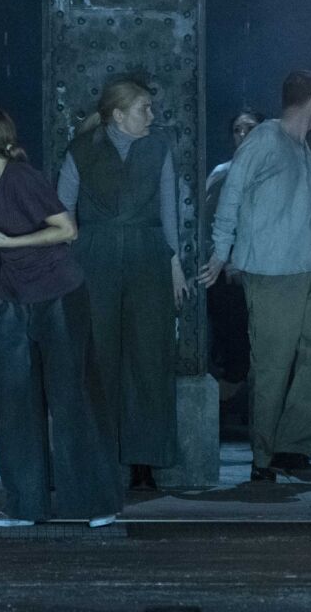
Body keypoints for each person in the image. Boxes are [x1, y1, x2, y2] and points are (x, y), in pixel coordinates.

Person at [0, 106, 120, 529]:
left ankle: (94, 503)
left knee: (71, 400)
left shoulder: (22, 178)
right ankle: (23, 505)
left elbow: (67, 229)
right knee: (14, 403)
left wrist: (11, 242)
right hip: (15, 300)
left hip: (60, 295)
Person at [199, 69, 311, 484]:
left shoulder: (301, 148)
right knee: (273, 365)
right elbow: (232, 195)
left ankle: (292, 448)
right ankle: (263, 458)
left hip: (309, 268)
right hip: (273, 271)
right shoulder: (264, 139)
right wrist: (221, 252)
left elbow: (300, 212)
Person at [57, 77, 185, 492]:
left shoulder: (158, 149)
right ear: (118, 114)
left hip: (148, 257)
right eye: (143, 108)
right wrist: (69, 263)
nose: (151, 115)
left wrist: (175, 264)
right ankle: (100, 454)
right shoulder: (82, 150)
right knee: (99, 357)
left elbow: (168, 212)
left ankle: (144, 460)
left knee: (149, 358)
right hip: (95, 258)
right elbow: (62, 210)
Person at [204, 110, 264, 404]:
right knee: (230, 338)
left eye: (249, 129)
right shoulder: (221, 172)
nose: (243, 135)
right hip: (224, 269)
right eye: (238, 129)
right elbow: (206, 220)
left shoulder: (272, 174)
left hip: (261, 270)